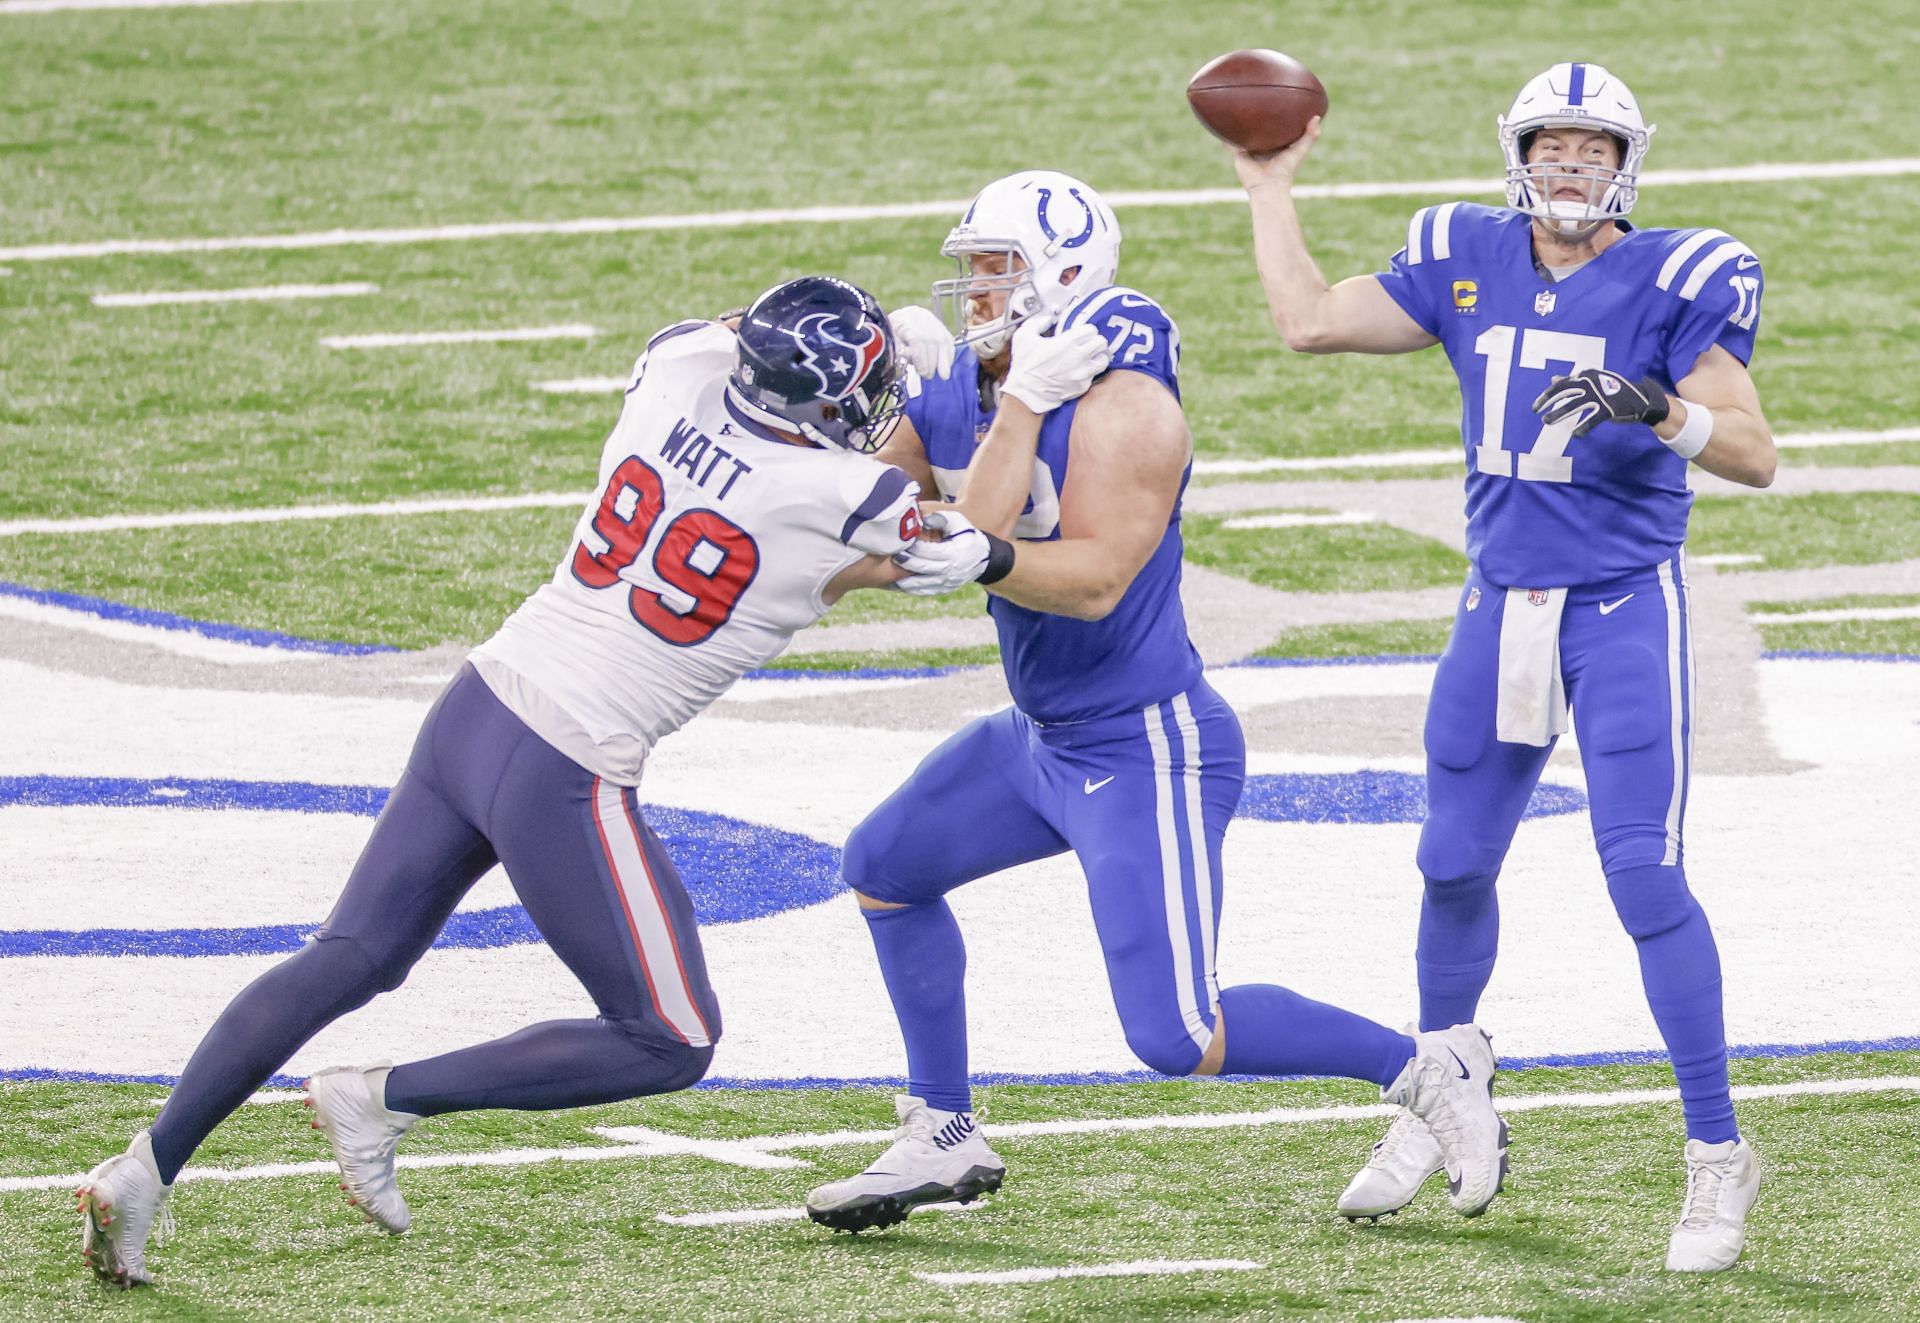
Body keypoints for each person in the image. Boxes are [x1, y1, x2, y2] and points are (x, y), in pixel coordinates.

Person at [74, 276, 964, 1287]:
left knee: (348, 956)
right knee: (670, 1037)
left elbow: (737, 328)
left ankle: (144, 1169)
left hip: (481, 703)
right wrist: (974, 398)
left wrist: (880, 341)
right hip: (566, 766)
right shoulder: (850, 497)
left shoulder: (678, 368)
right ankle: (383, 1095)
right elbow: (963, 533)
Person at [802, 169, 1509, 1234]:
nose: (976, 291)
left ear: (1060, 278)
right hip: (1039, 737)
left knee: (1177, 1035)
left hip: (1144, 745)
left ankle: (1426, 1070)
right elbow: (874, 534)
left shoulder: (1129, 406)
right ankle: (941, 1128)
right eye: (975, 269)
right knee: (885, 869)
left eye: (997, 269)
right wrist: (834, 521)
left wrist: (966, 548)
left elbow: (1089, 585)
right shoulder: (958, 385)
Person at [1230, 62, 1776, 1271]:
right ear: (1517, 153)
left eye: (1593, 148)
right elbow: (1309, 319)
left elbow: (1754, 455)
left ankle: (1716, 1152)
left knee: (1643, 877)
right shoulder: (1463, 252)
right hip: (1499, 604)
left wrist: (1658, 408)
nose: (1571, 166)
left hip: (1623, 607)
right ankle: (1446, 1085)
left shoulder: (1680, 275)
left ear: (1627, 164)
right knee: (1449, 860)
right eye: (1553, 144)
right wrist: (1267, 184)